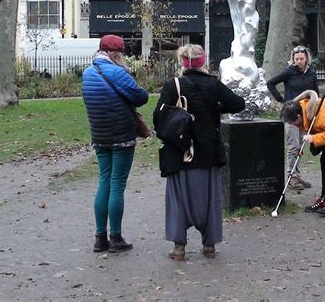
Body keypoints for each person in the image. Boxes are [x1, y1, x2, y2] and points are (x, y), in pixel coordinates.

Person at [153, 44, 245, 261]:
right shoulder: (213, 84)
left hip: (179, 151)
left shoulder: (173, 85)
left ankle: (179, 249)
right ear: (202, 61)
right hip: (208, 151)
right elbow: (238, 104)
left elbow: (158, 118)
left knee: (178, 199)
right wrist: (214, 108)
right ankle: (209, 246)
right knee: (210, 199)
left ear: (182, 62)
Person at [82, 34, 149, 253]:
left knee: (104, 181)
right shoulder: (118, 72)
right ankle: (116, 237)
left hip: (99, 136)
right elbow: (141, 97)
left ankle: (99, 237)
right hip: (122, 136)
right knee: (117, 185)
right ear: (115, 54)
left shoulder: (87, 73)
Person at [267, 46, 319, 191]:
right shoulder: (289, 72)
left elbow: (316, 93)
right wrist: (280, 99)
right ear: (293, 59)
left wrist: (316, 109)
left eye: (302, 59)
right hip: (291, 115)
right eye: (296, 59)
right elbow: (270, 82)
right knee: (293, 146)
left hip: (305, 116)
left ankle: (296, 174)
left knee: (302, 145)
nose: (299, 61)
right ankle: (291, 177)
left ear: (307, 58)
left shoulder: (312, 74)